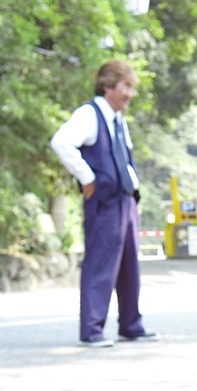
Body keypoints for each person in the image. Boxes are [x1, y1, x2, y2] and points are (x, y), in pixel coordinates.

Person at [50, 60, 157, 348]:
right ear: (108, 86)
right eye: (126, 87)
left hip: (125, 201)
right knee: (101, 263)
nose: (130, 94)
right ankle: (92, 328)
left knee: (128, 265)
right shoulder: (90, 114)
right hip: (104, 202)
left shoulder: (118, 120)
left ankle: (131, 324)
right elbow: (61, 142)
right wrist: (87, 177)